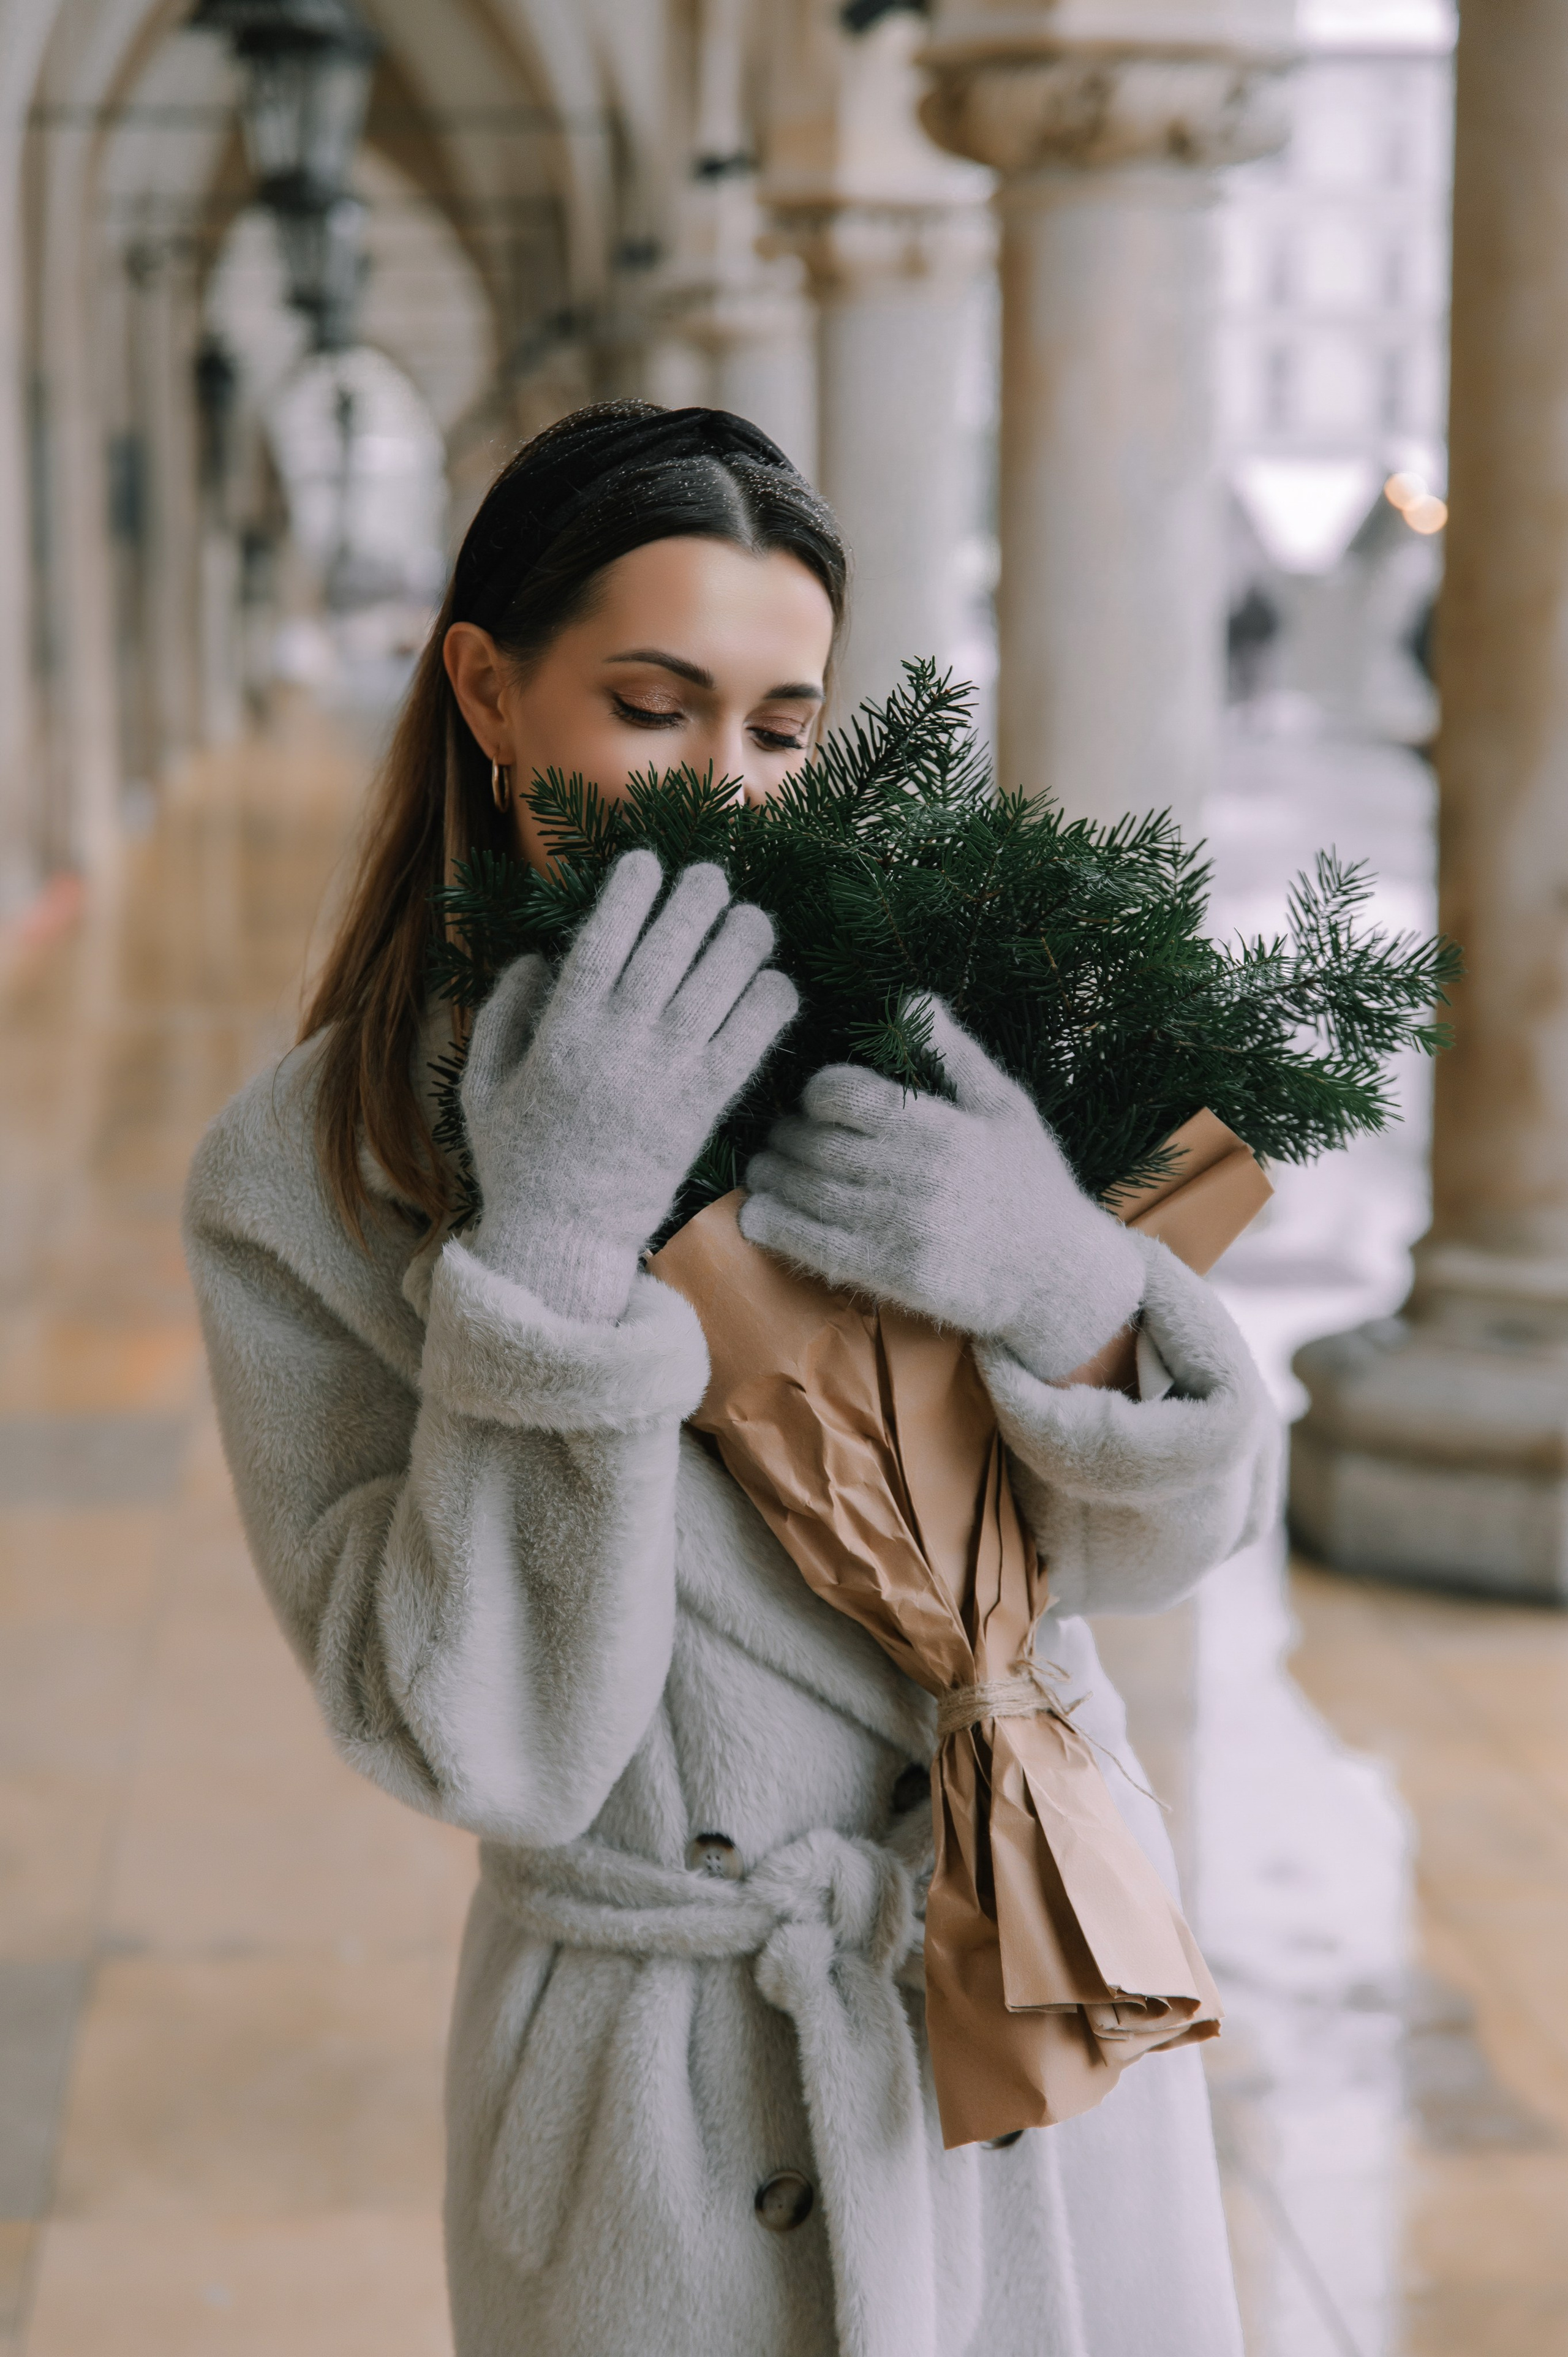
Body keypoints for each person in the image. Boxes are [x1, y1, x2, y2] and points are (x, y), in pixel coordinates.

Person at [184, 402, 1278, 2357]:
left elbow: (1133, 1557)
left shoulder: (921, 1023)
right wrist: (553, 1246)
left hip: (1036, 1981)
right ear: (489, 692)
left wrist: (1062, 1279)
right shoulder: (312, 1173)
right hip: (672, 2121)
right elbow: (479, 1742)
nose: (727, 786)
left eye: (779, 729)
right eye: (655, 703)